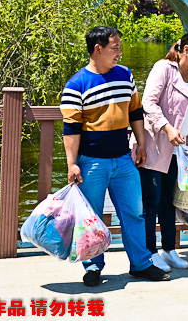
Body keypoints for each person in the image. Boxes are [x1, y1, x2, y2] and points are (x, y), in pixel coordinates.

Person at [61, 26, 169, 286]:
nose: (119, 52)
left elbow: (135, 111)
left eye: (119, 47)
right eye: (115, 47)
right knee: (92, 217)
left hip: (123, 159)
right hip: (91, 161)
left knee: (134, 212)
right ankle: (93, 266)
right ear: (97, 49)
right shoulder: (76, 84)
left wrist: (141, 144)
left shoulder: (126, 75)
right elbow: (71, 128)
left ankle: (141, 263)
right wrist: (72, 164)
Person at [140, 32, 188, 272]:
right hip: (157, 146)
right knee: (152, 202)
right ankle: (150, 253)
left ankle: (168, 250)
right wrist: (168, 127)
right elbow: (148, 103)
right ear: (186, 50)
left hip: (179, 150)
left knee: (170, 201)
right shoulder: (163, 69)